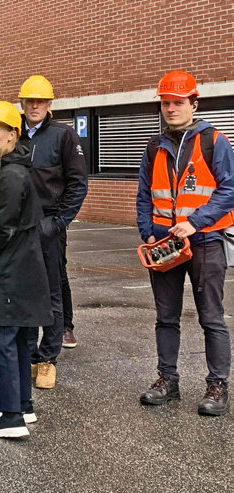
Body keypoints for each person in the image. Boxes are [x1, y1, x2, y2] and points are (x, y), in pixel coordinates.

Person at [136, 70, 234, 416]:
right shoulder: (154, 146)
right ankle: (167, 380)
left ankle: (218, 385)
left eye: (178, 102)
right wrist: (146, 230)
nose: (171, 108)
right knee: (166, 316)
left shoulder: (214, 141)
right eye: (166, 103)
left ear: (194, 102)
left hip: (205, 241)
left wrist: (195, 222)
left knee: (211, 317)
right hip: (164, 243)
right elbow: (145, 193)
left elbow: (229, 190)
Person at [0, 101, 52, 439]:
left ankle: (11, 418)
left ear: (13, 135)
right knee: (17, 340)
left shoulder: (11, 175)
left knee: (2, 340)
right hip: (21, 270)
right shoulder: (10, 169)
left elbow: (2, 228)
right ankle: (20, 404)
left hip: (10, 272)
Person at [17, 75, 88, 388]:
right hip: (19, 227)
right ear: (22, 102)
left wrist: (59, 222)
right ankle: (31, 355)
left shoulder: (63, 135)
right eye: (30, 100)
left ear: (49, 105)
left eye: (40, 101)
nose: (34, 106)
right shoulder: (13, 132)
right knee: (25, 292)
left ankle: (48, 359)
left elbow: (78, 184)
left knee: (51, 293)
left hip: (49, 225)